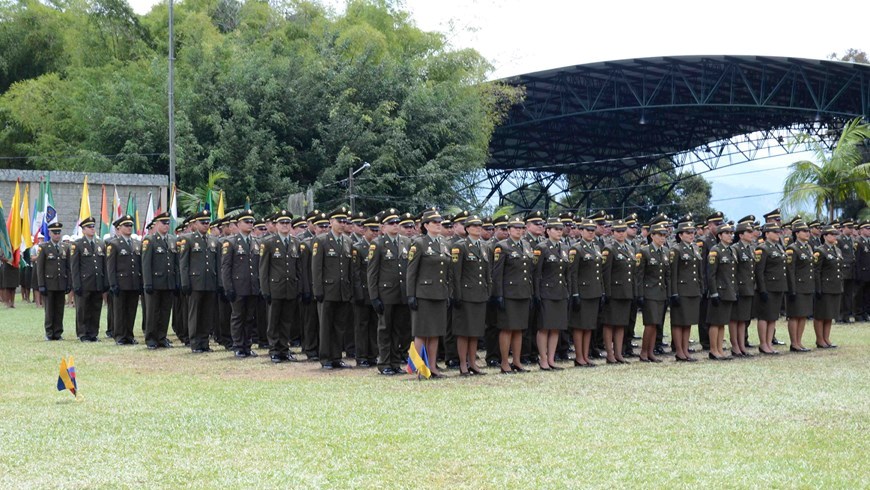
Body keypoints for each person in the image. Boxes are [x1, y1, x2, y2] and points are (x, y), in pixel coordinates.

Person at [259, 210, 308, 363]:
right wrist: (265, 290)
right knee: (274, 321)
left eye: (287, 223)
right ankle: (274, 350)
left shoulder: (295, 243)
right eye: (282, 223)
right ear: (276, 225)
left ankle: (284, 349)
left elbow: (299, 269)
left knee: (287, 321)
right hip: (275, 288)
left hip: (290, 288)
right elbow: (263, 269)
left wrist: (300, 288)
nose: (285, 225)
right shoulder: (269, 242)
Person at [367, 209, 412, 375]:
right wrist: (374, 297)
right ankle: (384, 363)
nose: (395, 226)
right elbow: (372, 273)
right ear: (383, 227)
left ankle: (395, 362)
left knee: (398, 330)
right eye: (391, 223)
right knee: (385, 329)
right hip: (385, 294)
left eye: (396, 223)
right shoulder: (378, 244)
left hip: (401, 293)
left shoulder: (406, 242)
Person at [406, 209, 450, 378]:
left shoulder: (444, 243)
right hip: (423, 293)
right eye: (434, 222)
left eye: (440, 222)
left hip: (439, 293)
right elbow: (411, 271)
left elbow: (447, 272)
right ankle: (419, 368)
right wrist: (411, 294)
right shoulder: (419, 243)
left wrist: (448, 292)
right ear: (425, 225)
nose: (438, 225)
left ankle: (432, 367)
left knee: (435, 332)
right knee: (422, 332)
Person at [312, 207, 354, 369]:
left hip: (343, 291)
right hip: (327, 290)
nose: (343, 224)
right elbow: (317, 269)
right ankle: (326, 358)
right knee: (326, 326)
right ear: (331, 222)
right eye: (339, 221)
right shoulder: (321, 240)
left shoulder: (348, 241)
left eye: (344, 221)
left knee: (339, 326)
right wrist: (318, 290)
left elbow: (349, 269)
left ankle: (337, 357)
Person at [491, 217, 533, 374]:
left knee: (519, 329)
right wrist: (499, 295)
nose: (519, 230)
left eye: (521, 228)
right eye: (515, 227)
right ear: (508, 230)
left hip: (523, 292)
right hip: (508, 293)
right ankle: (504, 362)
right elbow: (497, 274)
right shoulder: (502, 246)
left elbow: (528, 272)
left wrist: (530, 292)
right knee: (507, 328)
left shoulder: (527, 245)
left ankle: (517, 361)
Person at [450, 215, 491, 375]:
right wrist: (457, 295)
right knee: (463, 331)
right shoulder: (461, 246)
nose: (478, 228)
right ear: (467, 229)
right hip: (465, 294)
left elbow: (487, 273)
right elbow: (456, 274)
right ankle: (462, 364)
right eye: (474, 226)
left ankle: (473, 362)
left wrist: (488, 290)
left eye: (479, 225)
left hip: (479, 293)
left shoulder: (484, 246)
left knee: (475, 332)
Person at [221, 210, 261, 358]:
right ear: (238, 224)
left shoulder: (256, 242)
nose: (250, 224)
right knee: (238, 316)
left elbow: (258, 267)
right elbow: (226, 267)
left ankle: (247, 345)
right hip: (238, 287)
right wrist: (228, 288)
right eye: (247, 222)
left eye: (252, 222)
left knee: (250, 318)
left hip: (252, 286)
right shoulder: (230, 242)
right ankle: (238, 345)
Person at [179, 210, 220, 353]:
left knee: (207, 315)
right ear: (195, 224)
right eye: (202, 222)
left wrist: (218, 282)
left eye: (207, 222)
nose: (205, 225)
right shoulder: (188, 239)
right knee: (195, 314)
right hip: (195, 282)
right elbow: (183, 264)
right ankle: (195, 343)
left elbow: (217, 264)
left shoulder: (213, 240)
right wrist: (185, 283)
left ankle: (204, 342)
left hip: (210, 282)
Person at [533, 217, 569, 371]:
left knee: (556, 327)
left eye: (561, 229)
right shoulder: (541, 247)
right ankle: (543, 359)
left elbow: (566, 273)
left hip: (560, 291)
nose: (559, 231)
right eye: (556, 229)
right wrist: (536, 294)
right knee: (544, 327)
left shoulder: (565, 247)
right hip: (546, 291)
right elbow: (536, 273)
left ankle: (552, 359)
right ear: (548, 231)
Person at [568, 218, 604, 367]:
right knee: (579, 325)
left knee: (589, 325)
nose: (591, 233)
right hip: (582, 291)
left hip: (594, 291)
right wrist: (575, 293)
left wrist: (601, 291)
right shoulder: (576, 249)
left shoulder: (596, 248)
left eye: (592, 230)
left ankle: (585, 354)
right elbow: (573, 273)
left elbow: (599, 272)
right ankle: (579, 356)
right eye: (587, 230)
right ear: (581, 231)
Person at [141, 212, 177, 349]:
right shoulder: (149, 240)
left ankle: (162, 337)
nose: (166, 226)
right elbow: (146, 264)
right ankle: (151, 338)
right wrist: (147, 282)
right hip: (155, 282)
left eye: (168, 223)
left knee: (165, 311)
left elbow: (175, 263)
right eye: (163, 223)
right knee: (152, 312)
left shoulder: (172, 240)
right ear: (156, 224)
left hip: (168, 282)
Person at [668, 221, 703, 362]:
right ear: (680, 235)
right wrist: (674, 292)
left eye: (692, 232)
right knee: (678, 322)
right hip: (681, 290)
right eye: (687, 233)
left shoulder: (695, 248)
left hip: (693, 289)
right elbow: (673, 273)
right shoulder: (676, 250)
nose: (691, 235)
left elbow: (698, 272)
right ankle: (679, 351)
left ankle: (685, 349)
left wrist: (700, 288)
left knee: (688, 321)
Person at [635, 223, 670, 362]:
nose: (662, 238)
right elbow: (639, 275)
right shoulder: (644, 251)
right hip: (649, 292)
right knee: (650, 323)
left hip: (661, 292)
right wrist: (640, 294)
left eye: (664, 235)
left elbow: (667, 275)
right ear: (652, 236)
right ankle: (643, 352)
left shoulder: (666, 251)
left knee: (657, 323)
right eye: (659, 235)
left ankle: (651, 352)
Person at [601, 219, 634, 364]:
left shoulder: (630, 248)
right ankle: (609, 353)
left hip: (626, 291)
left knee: (621, 324)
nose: (621, 234)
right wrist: (606, 292)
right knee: (609, 323)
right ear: (613, 233)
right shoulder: (609, 249)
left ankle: (619, 353)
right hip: (614, 291)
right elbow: (605, 273)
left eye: (623, 231)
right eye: (618, 231)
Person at [107, 215, 142, 345]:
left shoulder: (136, 243)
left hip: (133, 283)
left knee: (131, 310)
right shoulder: (114, 244)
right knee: (120, 311)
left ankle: (129, 335)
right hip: (120, 283)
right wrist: (113, 284)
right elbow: (111, 267)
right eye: (126, 226)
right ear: (119, 228)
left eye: (130, 225)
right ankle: (120, 336)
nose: (129, 228)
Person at [70, 216, 107, 342]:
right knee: (83, 309)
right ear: (83, 229)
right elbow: (74, 267)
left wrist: (105, 282)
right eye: (89, 227)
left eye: (93, 226)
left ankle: (93, 333)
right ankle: (83, 333)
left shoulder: (100, 243)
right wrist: (76, 284)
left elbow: (104, 264)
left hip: (97, 282)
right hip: (84, 283)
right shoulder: (78, 244)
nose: (92, 229)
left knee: (96, 309)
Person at [351, 216, 379, 367]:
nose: (375, 233)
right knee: (361, 325)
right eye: (372, 230)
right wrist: (358, 294)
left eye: (377, 230)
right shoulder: (358, 247)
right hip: (362, 292)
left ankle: (373, 354)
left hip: (375, 293)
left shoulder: (379, 246)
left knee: (374, 324)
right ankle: (361, 356)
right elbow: (355, 273)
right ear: (364, 230)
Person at [754, 223, 788, 355]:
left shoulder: (779, 247)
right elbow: (759, 271)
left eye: (778, 231)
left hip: (778, 286)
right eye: (774, 231)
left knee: (773, 317)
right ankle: (763, 344)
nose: (777, 233)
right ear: (767, 233)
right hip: (767, 287)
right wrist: (762, 289)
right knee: (764, 316)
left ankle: (769, 343)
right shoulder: (762, 248)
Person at [705, 223, 736, 360]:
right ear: (719, 236)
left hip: (728, 290)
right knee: (715, 322)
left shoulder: (730, 250)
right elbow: (711, 274)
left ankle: (720, 349)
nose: (730, 235)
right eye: (727, 233)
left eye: (731, 233)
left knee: (722, 322)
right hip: (719, 291)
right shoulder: (715, 250)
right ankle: (713, 350)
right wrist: (714, 293)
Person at [36, 222, 70, 340]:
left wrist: (68, 283)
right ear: (49, 233)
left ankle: (58, 332)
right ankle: (49, 332)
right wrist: (41, 284)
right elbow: (40, 268)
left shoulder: (65, 247)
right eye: (54, 233)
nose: (57, 235)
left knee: (60, 309)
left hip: (61, 282)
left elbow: (68, 267)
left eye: (58, 232)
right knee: (49, 310)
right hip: (49, 283)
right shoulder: (44, 247)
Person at [785, 220, 814, 352]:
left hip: (807, 285)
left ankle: (799, 341)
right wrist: (792, 289)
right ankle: (794, 343)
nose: (807, 233)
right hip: (797, 286)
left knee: (803, 315)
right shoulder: (792, 248)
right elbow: (790, 270)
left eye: (808, 231)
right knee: (795, 315)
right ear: (797, 233)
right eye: (804, 231)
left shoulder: (808, 247)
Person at [813, 225, 844, 348]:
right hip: (825, 286)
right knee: (821, 314)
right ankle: (820, 339)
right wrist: (818, 288)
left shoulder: (837, 250)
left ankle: (826, 338)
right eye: (831, 234)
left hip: (835, 285)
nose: (834, 236)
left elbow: (839, 269)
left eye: (835, 234)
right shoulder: (820, 251)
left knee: (830, 314)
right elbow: (816, 271)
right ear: (825, 236)